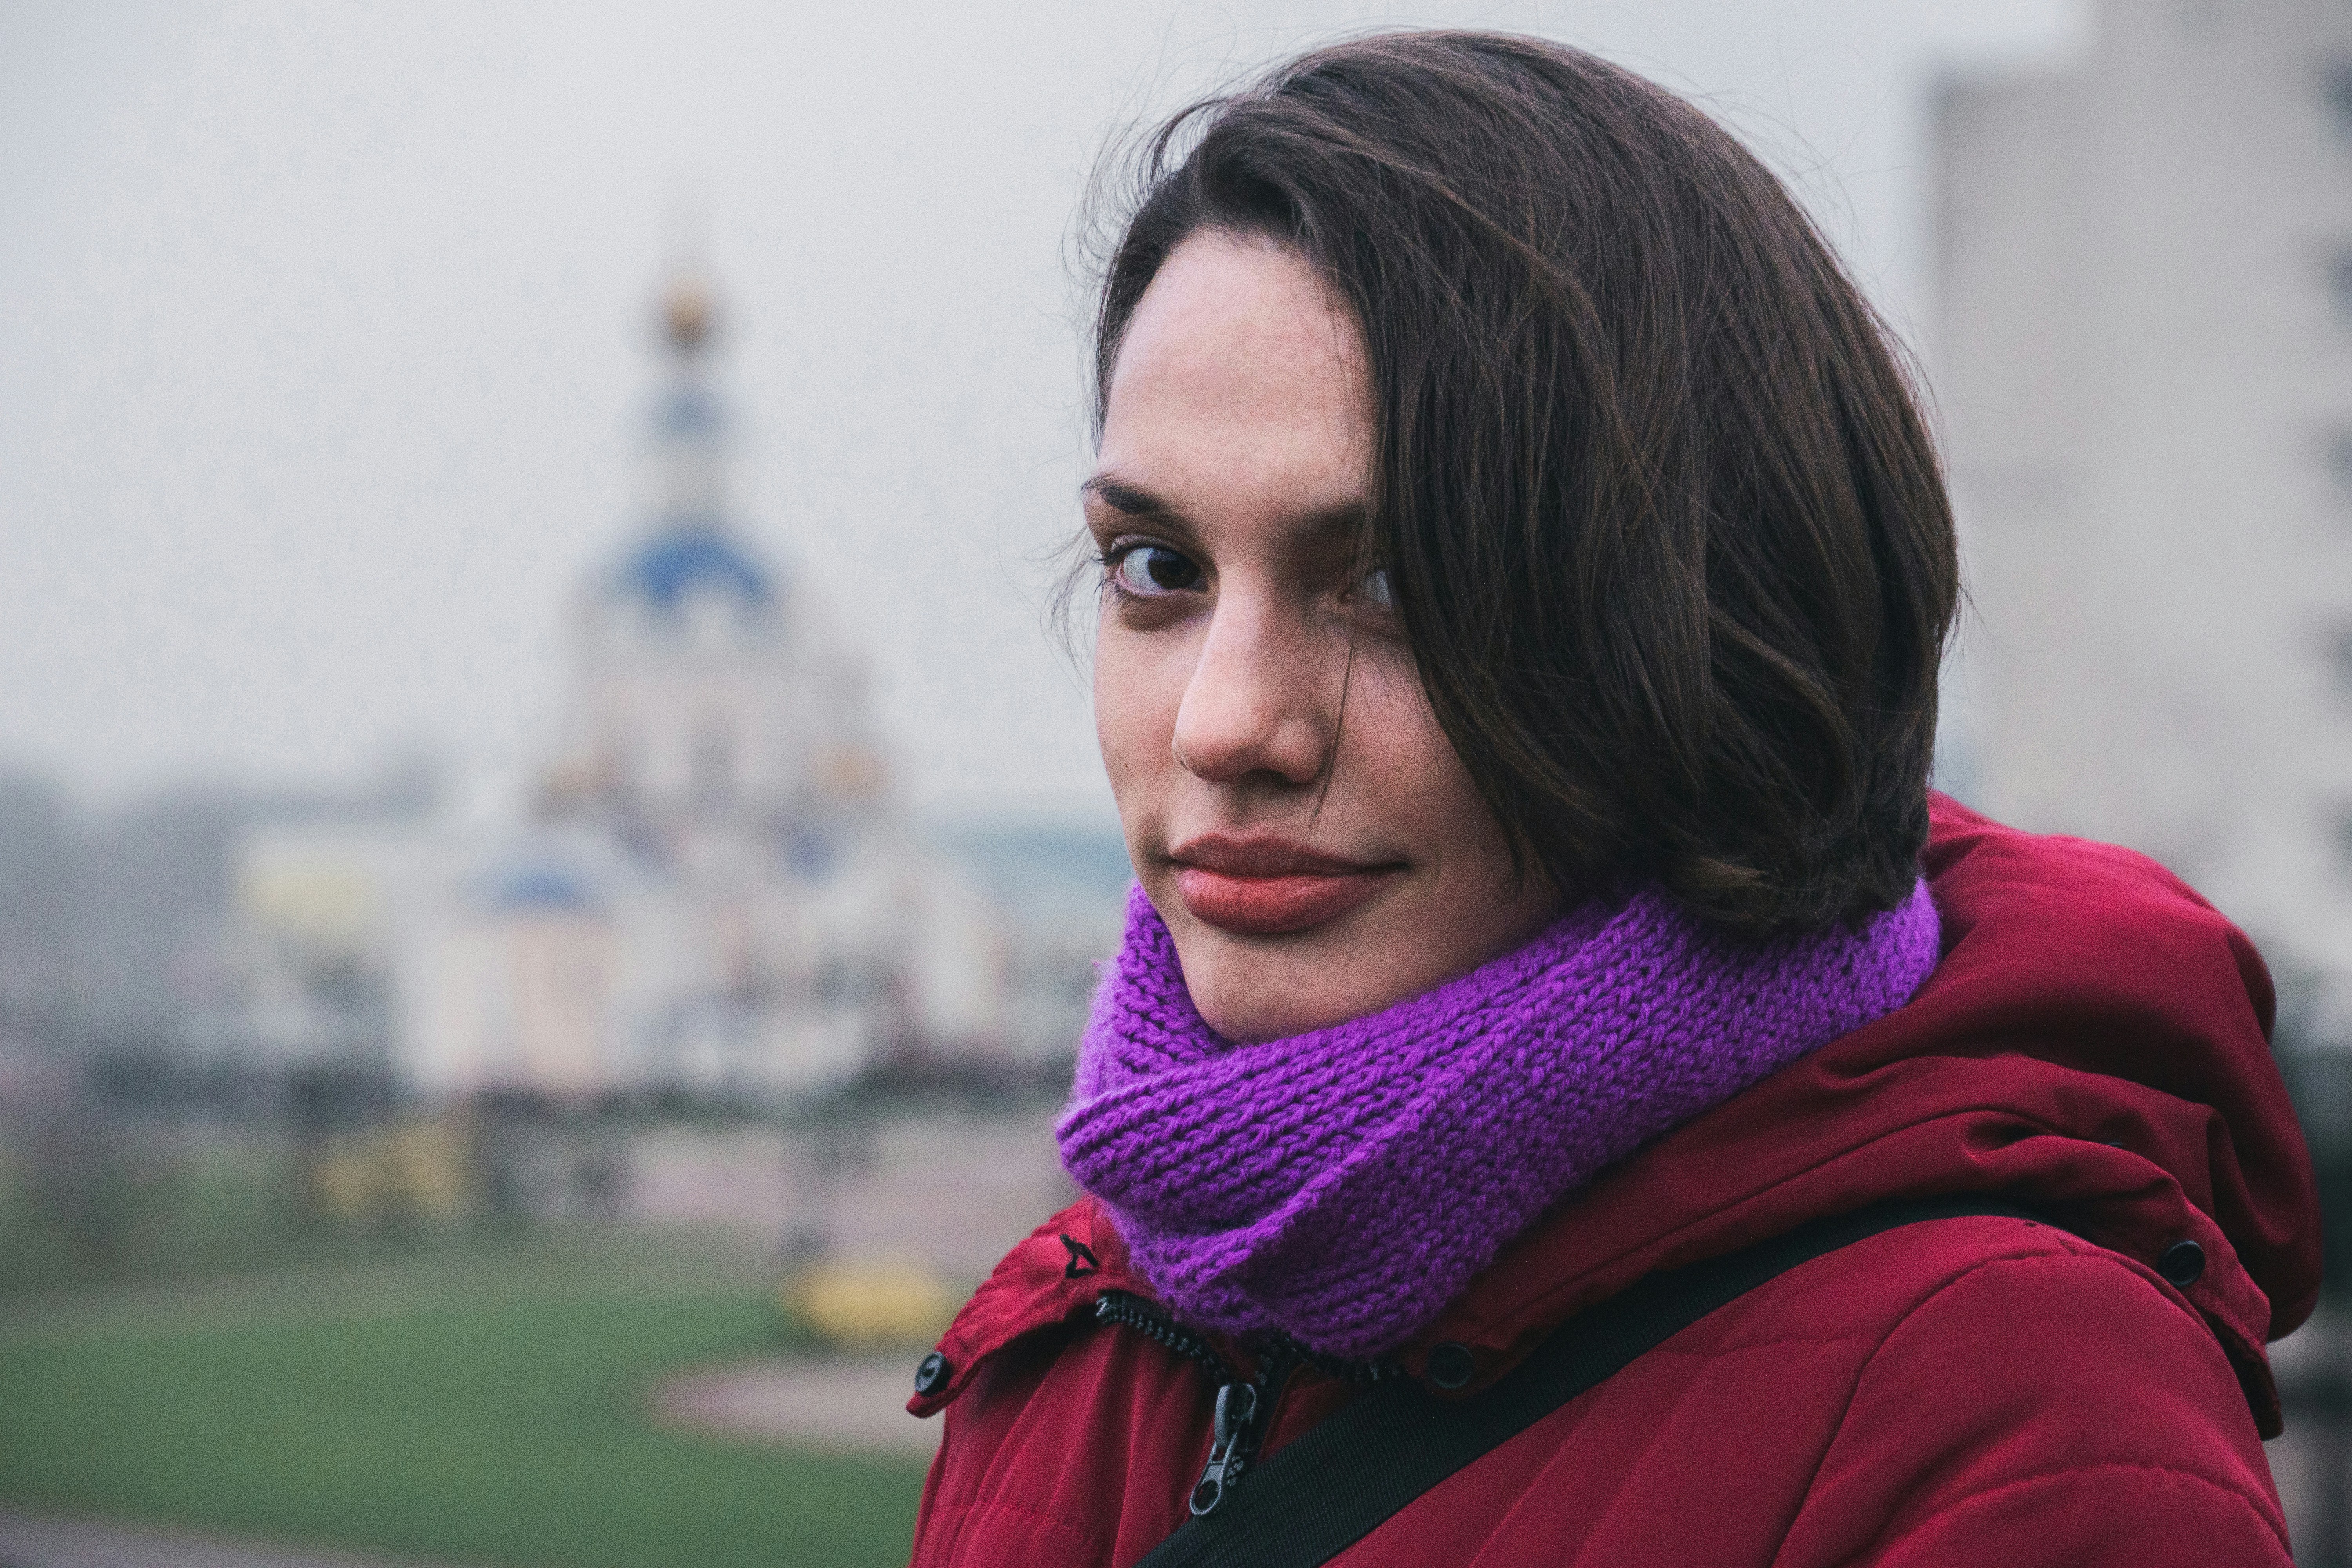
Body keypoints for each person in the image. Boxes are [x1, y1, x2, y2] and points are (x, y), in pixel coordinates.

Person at [904, 31, 2319, 1568]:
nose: (1225, 723)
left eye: (1394, 583)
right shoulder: (1086, 1323)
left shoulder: (2018, 1419)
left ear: (1719, 627)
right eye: (1158, 568)